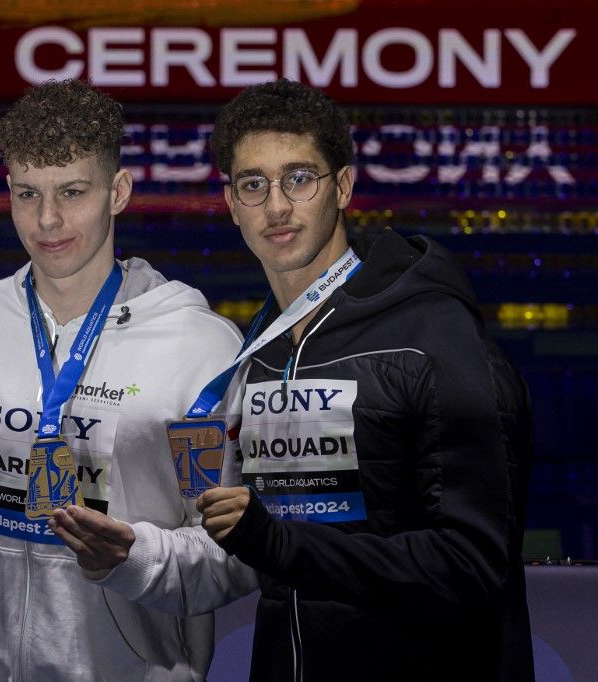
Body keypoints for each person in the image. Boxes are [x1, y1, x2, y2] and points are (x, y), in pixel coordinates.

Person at [196, 79, 534, 681]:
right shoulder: (263, 353)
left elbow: (472, 564)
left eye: (299, 178)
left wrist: (277, 543)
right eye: (254, 185)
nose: (277, 206)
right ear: (231, 204)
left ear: (344, 186)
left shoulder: (433, 334)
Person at [0, 79, 257, 680]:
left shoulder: (198, 348)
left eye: (72, 192)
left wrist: (131, 557)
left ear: (118, 191)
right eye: (27, 193)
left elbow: (230, 552)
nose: (47, 220)